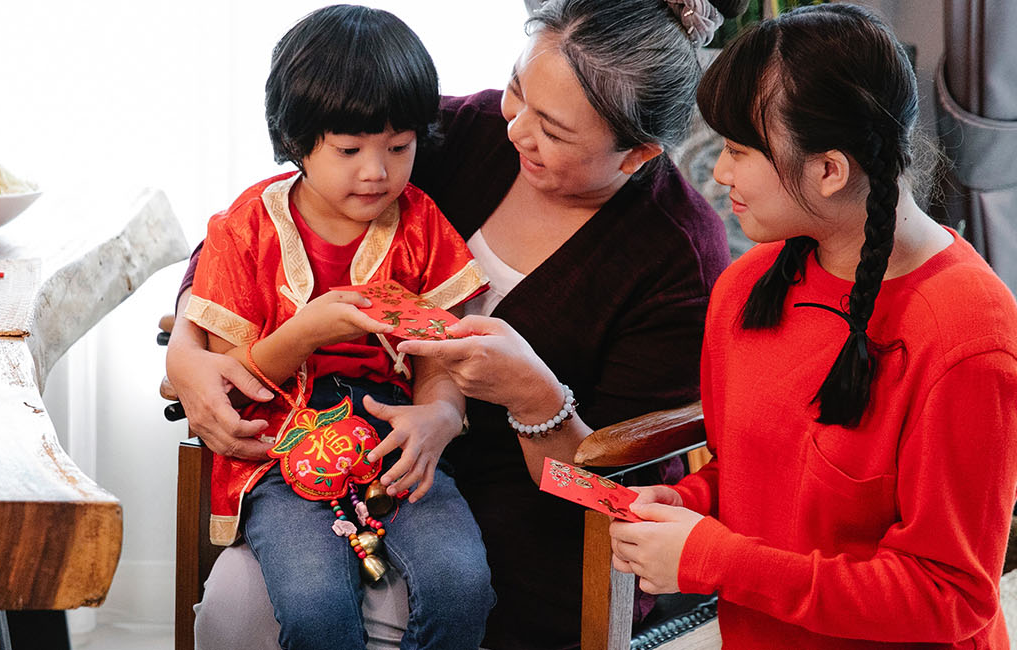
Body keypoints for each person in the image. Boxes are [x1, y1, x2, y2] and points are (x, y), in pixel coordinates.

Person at [168, 1, 738, 648]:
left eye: (552, 130)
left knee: (428, 592)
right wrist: (187, 348)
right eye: (518, 90)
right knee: (241, 605)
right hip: (354, 461)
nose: (517, 129)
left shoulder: (677, 258)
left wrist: (534, 397)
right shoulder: (464, 131)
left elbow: (605, 495)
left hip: (526, 527)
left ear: (636, 155)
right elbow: (278, 214)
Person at [607, 4, 1017, 648]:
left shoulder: (969, 337)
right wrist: (690, 503)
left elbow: (951, 596)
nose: (718, 173)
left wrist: (721, 561)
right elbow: (746, 469)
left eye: (740, 152)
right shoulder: (748, 287)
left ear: (829, 170)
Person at [183, 6, 496, 649]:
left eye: (399, 147)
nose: (376, 172)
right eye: (350, 149)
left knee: (463, 585)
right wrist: (309, 330)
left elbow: (439, 353)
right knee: (315, 602)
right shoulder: (245, 230)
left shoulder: (421, 226)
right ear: (296, 141)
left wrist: (439, 414)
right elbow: (237, 381)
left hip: (395, 443)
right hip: (278, 452)